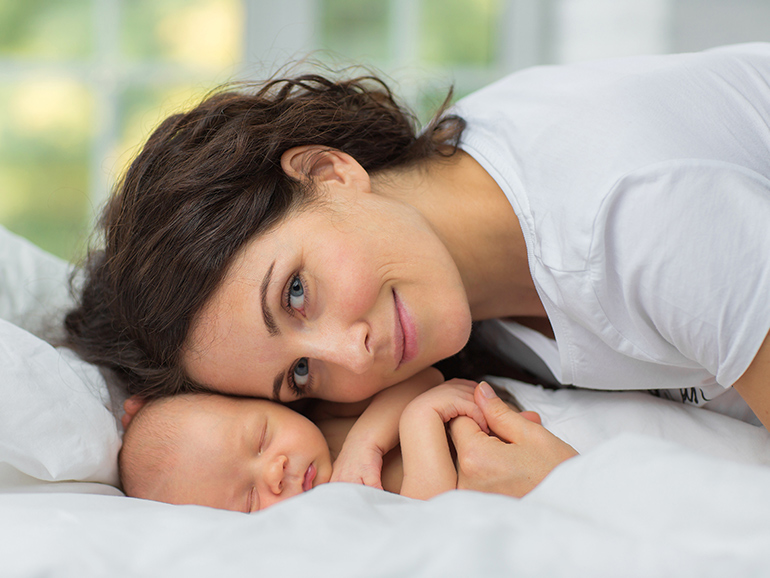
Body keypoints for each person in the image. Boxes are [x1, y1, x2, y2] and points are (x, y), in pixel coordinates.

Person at [65, 43, 770, 497]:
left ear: (328, 171)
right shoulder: (439, 248)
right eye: (301, 376)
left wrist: (573, 490)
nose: (352, 354)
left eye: (298, 292)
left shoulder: (635, 213)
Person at [118, 372, 555, 511]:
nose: (274, 471)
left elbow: (428, 377)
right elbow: (426, 519)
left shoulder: (331, 411)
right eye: (249, 499)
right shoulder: (330, 512)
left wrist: (368, 439)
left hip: (513, 441)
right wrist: (420, 421)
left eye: (261, 438)